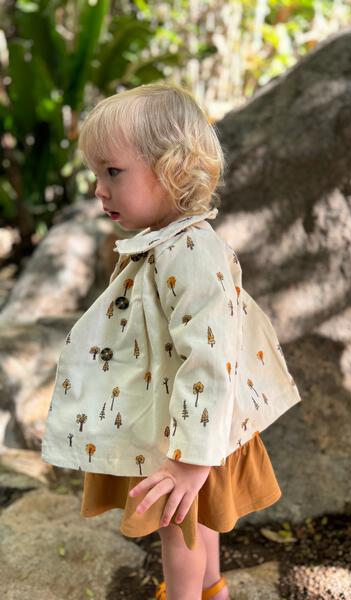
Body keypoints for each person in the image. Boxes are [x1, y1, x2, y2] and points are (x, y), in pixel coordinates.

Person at [40, 82, 303, 600]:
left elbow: (210, 356)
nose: (99, 188)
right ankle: (212, 591)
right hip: (182, 423)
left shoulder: (189, 253)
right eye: (97, 174)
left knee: (176, 523)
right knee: (195, 514)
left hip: (188, 434)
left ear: (173, 171)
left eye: (113, 172)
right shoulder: (168, 244)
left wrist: (190, 458)